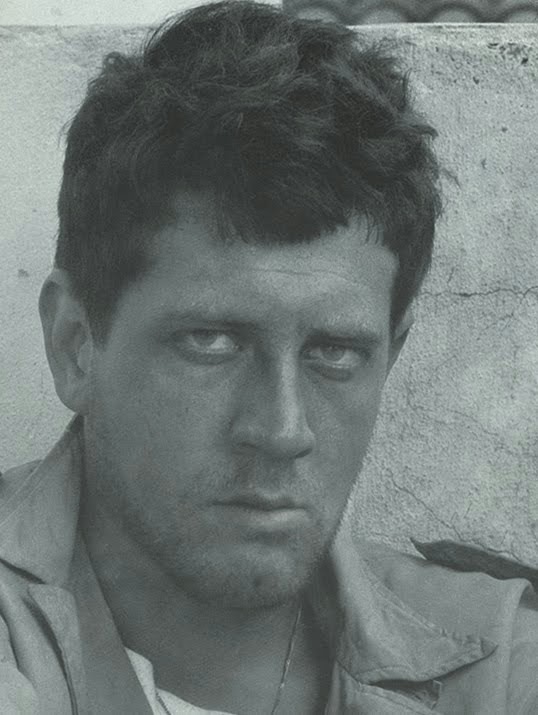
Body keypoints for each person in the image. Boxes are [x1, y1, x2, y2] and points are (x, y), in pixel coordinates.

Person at [1, 2, 537, 713]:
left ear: (391, 355)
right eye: (211, 342)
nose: (282, 429)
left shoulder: (498, 667)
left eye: (335, 352)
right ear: (75, 345)